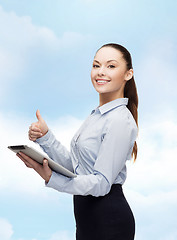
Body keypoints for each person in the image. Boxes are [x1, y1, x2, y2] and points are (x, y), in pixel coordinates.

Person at [17, 43, 139, 240]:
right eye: (96, 65)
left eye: (111, 66)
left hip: (109, 222)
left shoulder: (119, 120)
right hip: (87, 220)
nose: (100, 72)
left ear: (128, 74)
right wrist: (46, 137)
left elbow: (101, 184)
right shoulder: (97, 116)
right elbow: (77, 170)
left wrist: (52, 179)